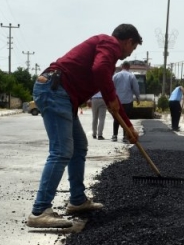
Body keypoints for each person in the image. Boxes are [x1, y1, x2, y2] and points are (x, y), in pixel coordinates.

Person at [28, 24, 142, 228]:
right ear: (128, 41)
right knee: (61, 151)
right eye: (133, 48)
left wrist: (129, 127)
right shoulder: (110, 44)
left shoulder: (106, 51)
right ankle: (39, 211)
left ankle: (77, 200)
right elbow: (99, 72)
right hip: (55, 91)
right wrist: (109, 98)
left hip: (62, 94)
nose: (129, 53)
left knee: (79, 147)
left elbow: (113, 99)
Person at [111, 61, 140, 141]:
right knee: (126, 118)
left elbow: (111, 87)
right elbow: (136, 88)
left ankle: (114, 135)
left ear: (122, 66)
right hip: (128, 101)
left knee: (116, 118)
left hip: (117, 100)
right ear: (128, 67)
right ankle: (124, 136)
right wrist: (138, 97)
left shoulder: (115, 76)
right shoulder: (131, 76)